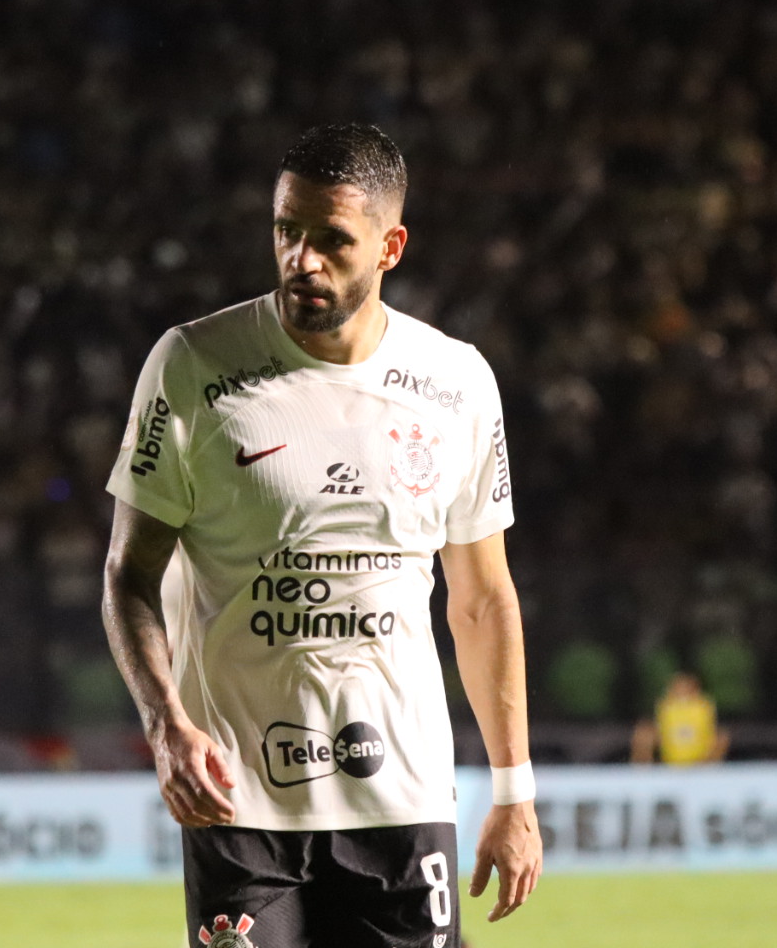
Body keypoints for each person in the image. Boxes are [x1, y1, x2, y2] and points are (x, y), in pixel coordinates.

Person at [100, 124, 539, 948]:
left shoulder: (457, 384)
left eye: (332, 239)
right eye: (285, 230)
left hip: (403, 800)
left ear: (390, 246)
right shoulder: (192, 365)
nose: (302, 258)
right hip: (242, 803)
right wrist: (165, 726)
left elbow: (482, 602)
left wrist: (514, 792)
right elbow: (128, 575)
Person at [631, 672, 730, 766]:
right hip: (671, 753)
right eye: (679, 686)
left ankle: (707, 771)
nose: (681, 690)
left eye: (685, 686)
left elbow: (709, 731)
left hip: (700, 757)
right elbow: (661, 730)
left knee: (722, 737)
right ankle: (642, 774)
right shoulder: (666, 705)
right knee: (643, 733)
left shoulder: (703, 705)